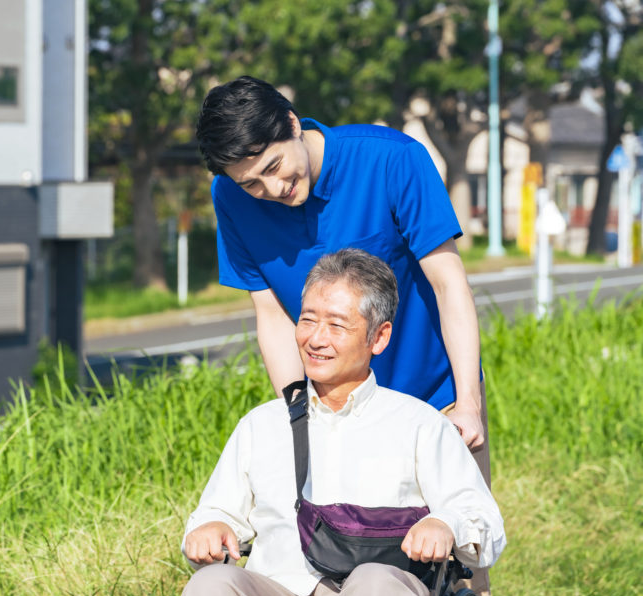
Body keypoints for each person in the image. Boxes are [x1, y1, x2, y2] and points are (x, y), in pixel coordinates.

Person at [178, 249, 505, 596]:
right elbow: (217, 512)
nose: (315, 338)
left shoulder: (419, 424)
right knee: (209, 586)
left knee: (371, 583)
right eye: (308, 320)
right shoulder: (262, 425)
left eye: (336, 324)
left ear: (379, 337)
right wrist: (209, 528)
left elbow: (482, 518)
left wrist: (445, 523)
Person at [195, 76, 489, 483]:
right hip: (335, 420)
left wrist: (468, 404)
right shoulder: (230, 198)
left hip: (436, 401)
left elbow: (449, 284)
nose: (272, 189)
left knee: (459, 540)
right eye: (251, 184)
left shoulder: (392, 159)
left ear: (293, 124)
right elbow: (274, 317)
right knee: (347, 546)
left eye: (274, 167)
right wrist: (300, 423)